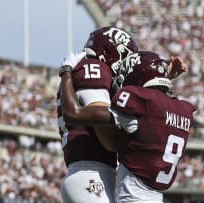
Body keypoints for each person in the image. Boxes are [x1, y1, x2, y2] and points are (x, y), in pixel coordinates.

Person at [60, 51, 195, 202]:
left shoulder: (139, 102)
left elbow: (73, 113)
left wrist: (66, 71)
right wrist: (162, 73)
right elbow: (154, 113)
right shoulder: (181, 108)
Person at [57, 26, 138, 203]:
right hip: (91, 174)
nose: (126, 63)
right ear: (109, 51)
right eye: (124, 55)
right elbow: (107, 137)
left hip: (91, 174)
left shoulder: (83, 68)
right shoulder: (93, 67)